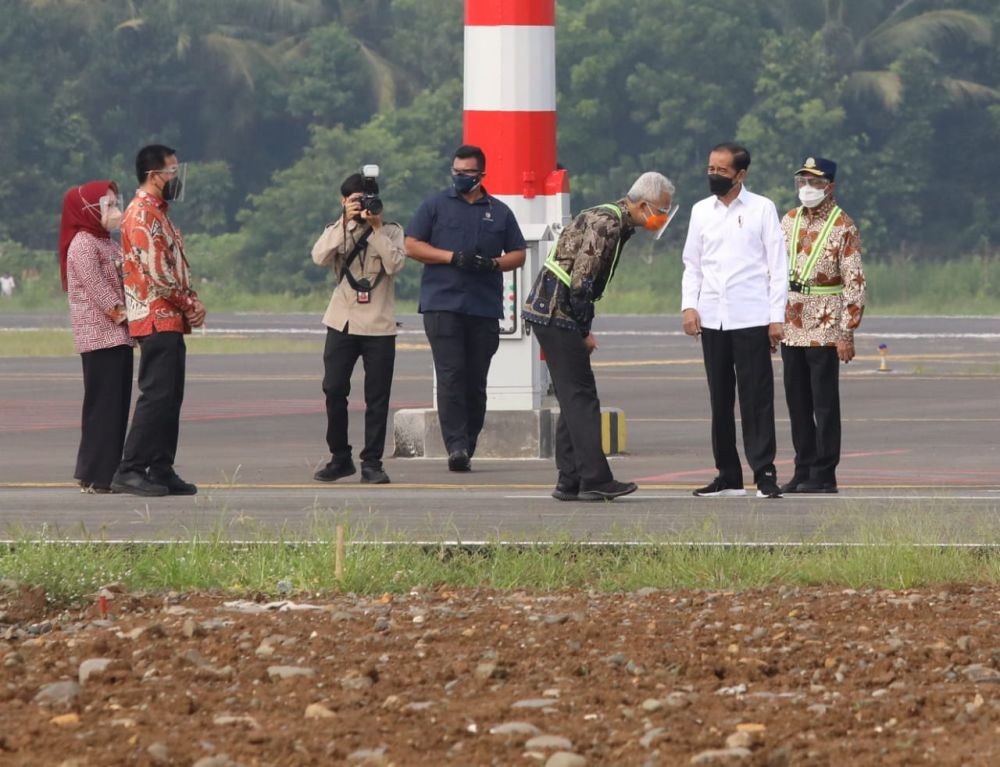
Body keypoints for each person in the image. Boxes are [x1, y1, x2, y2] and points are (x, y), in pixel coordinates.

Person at [524, 172, 677, 501]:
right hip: (557, 314)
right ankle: (595, 477)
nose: (662, 218)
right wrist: (584, 331)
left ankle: (570, 479)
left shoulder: (610, 218)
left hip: (548, 311)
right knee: (582, 397)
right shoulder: (607, 224)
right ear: (641, 205)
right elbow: (582, 283)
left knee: (571, 396)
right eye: (660, 210)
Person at [404, 144, 527, 471]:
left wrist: (492, 264)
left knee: (475, 380)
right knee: (450, 376)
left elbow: (519, 253)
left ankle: (468, 443)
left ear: (481, 174)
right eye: (456, 172)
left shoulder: (499, 212)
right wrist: (451, 257)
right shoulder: (434, 206)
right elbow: (412, 245)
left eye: (467, 173)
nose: (460, 177)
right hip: (442, 305)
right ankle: (455, 446)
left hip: (483, 308)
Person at [681, 142, 787, 499]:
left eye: (721, 170)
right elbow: (692, 264)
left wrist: (776, 317)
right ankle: (727, 475)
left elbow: (777, 267)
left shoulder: (762, 209)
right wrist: (688, 306)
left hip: (752, 316)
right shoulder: (700, 211)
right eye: (710, 168)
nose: (714, 175)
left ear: (740, 174)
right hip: (712, 317)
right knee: (720, 398)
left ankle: (764, 472)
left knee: (756, 398)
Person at [111, 145, 206, 497]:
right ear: (155, 176)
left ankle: (161, 466)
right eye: (172, 172)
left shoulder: (159, 214)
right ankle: (131, 467)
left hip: (170, 317)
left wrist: (188, 302)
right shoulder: (141, 215)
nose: (176, 179)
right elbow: (158, 273)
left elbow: (174, 266)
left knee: (171, 396)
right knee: (156, 395)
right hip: (155, 314)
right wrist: (189, 302)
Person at [311, 172, 406, 484]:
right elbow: (319, 257)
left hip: (379, 324)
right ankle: (340, 457)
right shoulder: (337, 230)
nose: (364, 207)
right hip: (343, 320)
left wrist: (376, 230)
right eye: (356, 201)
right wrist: (343, 222)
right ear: (344, 202)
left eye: (368, 200)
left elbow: (394, 265)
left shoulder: (391, 231)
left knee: (377, 396)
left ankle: (372, 462)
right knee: (333, 388)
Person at [779, 157, 866, 493]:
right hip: (791, 318)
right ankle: (803, 468)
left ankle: (825, 472)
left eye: (814, 182)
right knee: (796, 400)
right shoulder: (788, 220)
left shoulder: (843, 225)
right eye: (802, 181)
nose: (807, 188)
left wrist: (847, 331)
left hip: (826, 320)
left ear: (829, 186)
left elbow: (855, 281)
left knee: (824, 401)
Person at [60, 181, 133, 493]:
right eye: (109, 206)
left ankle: (103, 470)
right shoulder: (83, 244)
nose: (116, 212)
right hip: (101, 338)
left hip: (118, 338)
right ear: (89, 210)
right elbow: (99, 290)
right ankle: (98, 473)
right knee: (103, 406)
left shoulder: (107, 243)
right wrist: (127, 317)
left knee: (115, 407)